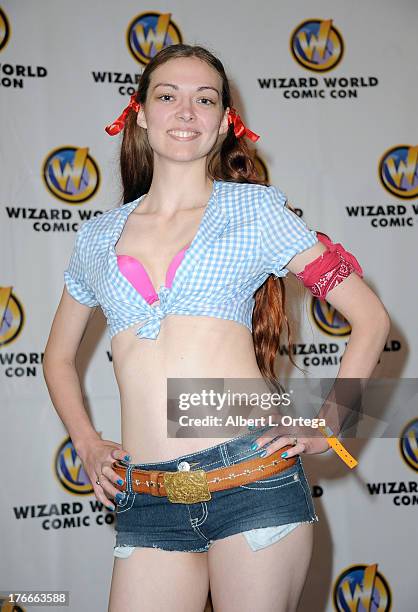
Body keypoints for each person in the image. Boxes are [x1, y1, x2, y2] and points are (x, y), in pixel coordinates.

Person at [42, 44, 390, 612]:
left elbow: (371, 318)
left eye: (204, 99)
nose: (186, 111)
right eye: (167, 96)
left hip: (254, 483)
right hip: (148, 498)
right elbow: (56, 358)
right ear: (139, 113)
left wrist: (331, 425)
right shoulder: (97, 237)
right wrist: (86, 441)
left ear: (226, 121)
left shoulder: (255, 212)